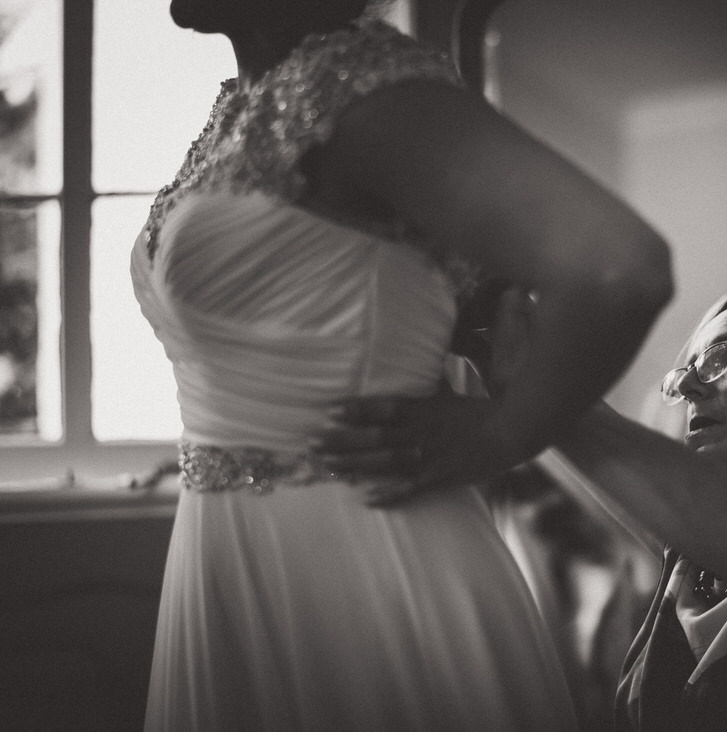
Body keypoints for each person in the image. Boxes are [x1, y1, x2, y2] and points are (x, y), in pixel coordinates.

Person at [131, 0, 671, 728]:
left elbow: (618, 267)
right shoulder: (248, 105)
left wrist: (504, 435)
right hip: (224, 552)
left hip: (368, 555)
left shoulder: (367, 89)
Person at [317, 286, 727, 729]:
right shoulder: (683, 564)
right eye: (688, 370)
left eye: (725, 357)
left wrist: (544, 400)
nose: (691, 385)